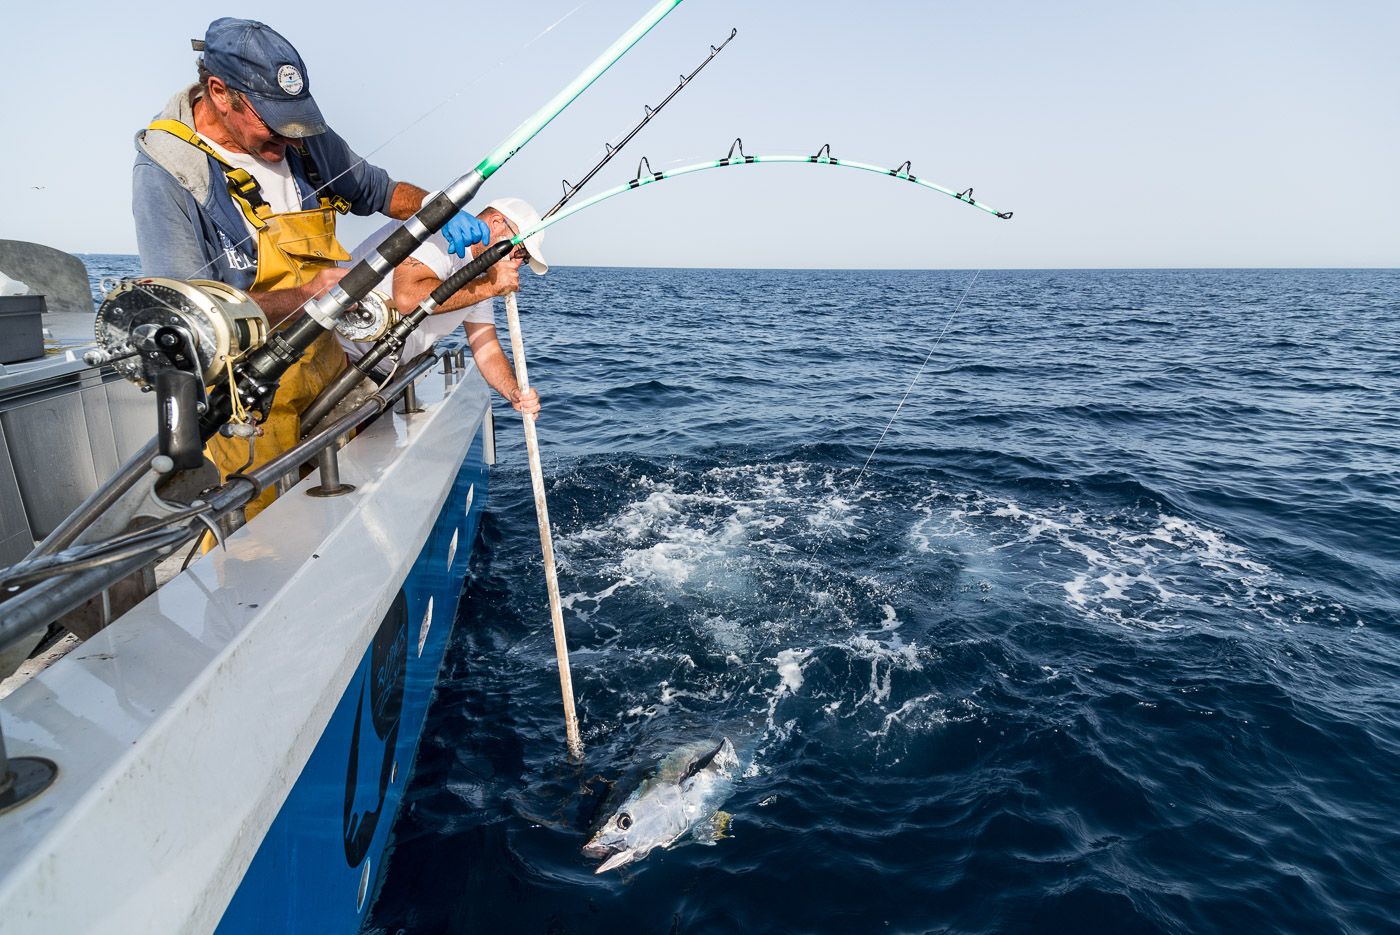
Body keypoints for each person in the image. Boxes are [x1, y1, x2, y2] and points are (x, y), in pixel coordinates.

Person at [131, 17, 491, 517]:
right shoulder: (167, 170)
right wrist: (304, 296)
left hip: (327, 364)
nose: (289, 139)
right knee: (267, 539)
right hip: (244, 399)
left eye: (296, 122)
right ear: (219, 92)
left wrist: (438, 205)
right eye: (273, 124)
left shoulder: (300, 136)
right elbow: (188, 311)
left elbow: (381, 191)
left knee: (355, 506)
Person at [340, 197, 547, 419]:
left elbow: (486, 348)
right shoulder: (441, 232)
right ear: (496, 222)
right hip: (341, 365)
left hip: (385, 381)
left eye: (523, 260)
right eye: (519, 252)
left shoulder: (483, 277)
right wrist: (490, 287)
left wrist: (513, 391)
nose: (516, 264)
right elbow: (407, 297)